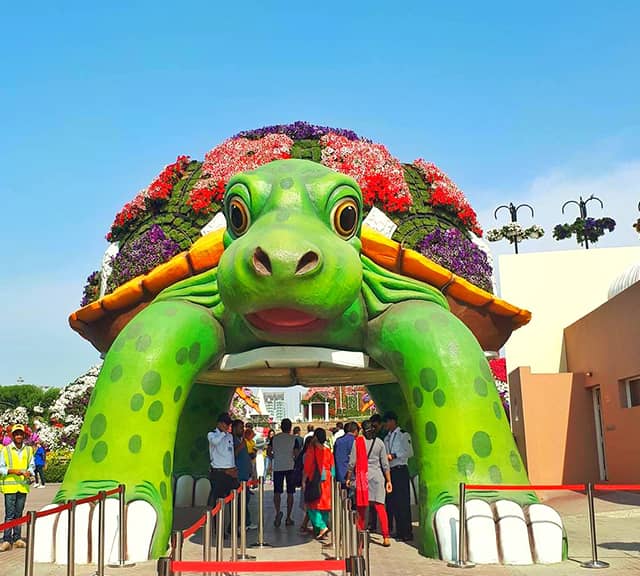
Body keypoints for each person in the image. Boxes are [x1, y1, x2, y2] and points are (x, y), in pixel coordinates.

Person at [346, 420, 392, 547]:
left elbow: (352, 463)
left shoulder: (358, 442)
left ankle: (361, 535)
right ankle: (386, 536)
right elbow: (385, 464)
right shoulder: (380, 443)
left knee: (362, 508)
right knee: (380, 507)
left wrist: (349, 478)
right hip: (377, 478)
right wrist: (389, 481)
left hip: (363, 478)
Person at [0, 424, 35, 551]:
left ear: (24, 435)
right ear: (13, 436)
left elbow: (32, 465)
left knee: (19, 514)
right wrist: (16, 471)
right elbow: (1, 468)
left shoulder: (28, 450)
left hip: (22, 486)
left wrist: (29, 471)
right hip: (10, 487)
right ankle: (7, 539)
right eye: (16, 434)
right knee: (10, 515)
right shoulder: (6, 450)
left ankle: (17, 538)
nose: (19, 436)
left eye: (21, 434)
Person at [383, 411, 414, 541]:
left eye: (387, 422)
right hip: (391, 471)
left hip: (401, 469)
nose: (386, 425)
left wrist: (394, 455)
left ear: (393, 421)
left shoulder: (403, 435)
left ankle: (407, 531)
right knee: (394, 502)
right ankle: (399, 530)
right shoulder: (387, 438)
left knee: (403, 502)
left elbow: (409, 452)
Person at [302, 428, 333, 539]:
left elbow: (307, 466)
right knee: (324, 507)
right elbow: (332, 467)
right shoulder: (327, 450)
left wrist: (304, 480)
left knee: (311, 506)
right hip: (327, 479)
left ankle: (321, 526)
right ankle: (322, 529)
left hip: (315, 480)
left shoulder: (312, 450)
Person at [271, 418, 299, 527]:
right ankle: (288, 517)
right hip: (290, 466)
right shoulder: (293, 439)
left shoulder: (274, 438)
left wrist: (275, 457)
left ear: (281, 427)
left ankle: (277, 512)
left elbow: (269, 451)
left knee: (277, 492)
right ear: (290, 427)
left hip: (278, 466)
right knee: (290, 493)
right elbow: (296, 453)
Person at [207, 412, 238, 507]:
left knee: (235, 499)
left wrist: (234, 467)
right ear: (219, 423)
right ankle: (216, 521)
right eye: (225, 423)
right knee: (217, 500)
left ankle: (234, 520)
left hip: (231, 471)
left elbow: (231, 453)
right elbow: (215, 442)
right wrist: (223, 433)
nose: (227, 425)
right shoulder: (212, 434)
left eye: (229, 423)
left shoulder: (230, 436)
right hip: (219, 472)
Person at [232, 420, 257, 530]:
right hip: (238, 474)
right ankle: (243, 522)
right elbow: (233, 454)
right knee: (242, 500)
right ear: (234, 428)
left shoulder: (243, 440)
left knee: (245, 499)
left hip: (245, 474)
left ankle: (245, 521)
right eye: (240, 428)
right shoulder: (232, 440)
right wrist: (241, 445)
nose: (242, 430)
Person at [333, 422, 357, 490]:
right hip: (351, 476)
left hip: (339, 474)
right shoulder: (354, 441)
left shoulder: (338, 441)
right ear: (355, 431)